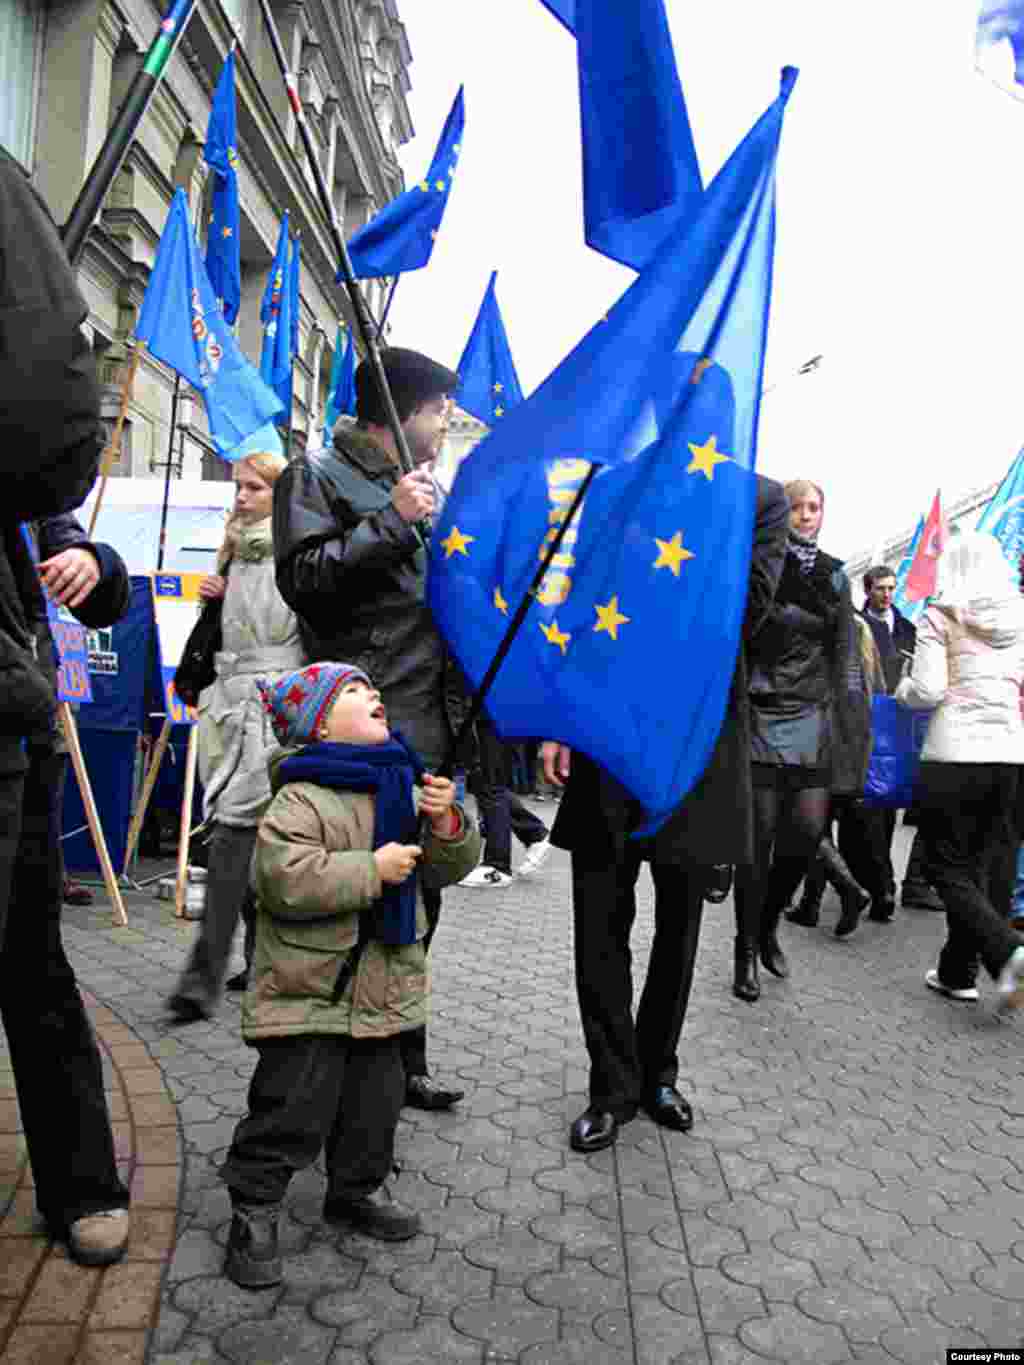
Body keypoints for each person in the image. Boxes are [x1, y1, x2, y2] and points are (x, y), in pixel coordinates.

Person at [542, 474, 789, 1153]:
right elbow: (581, 602)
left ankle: (658, 1074)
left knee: (680, 924)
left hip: (696, 743)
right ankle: (611, 1086)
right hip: (607, 729)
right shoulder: (618, 484)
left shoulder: (758, 500)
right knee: (600, 919)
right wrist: (559, 718)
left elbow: (747, 612)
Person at [219, 662, 480, 1288]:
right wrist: (371, 870)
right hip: (310, 990)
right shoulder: (300, 794)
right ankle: (254, 1203)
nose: (374, 695)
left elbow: (445, 868)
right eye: (354, 691)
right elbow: (282, 879)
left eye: (373, 689)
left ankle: (356, 1189)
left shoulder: (406, 784)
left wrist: (446, 823)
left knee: (375, 1105)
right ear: (318, 727)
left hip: (383, 988)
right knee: (291, 1105)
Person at [273, 346, 470, 1111]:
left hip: (425, 732)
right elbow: (305, 578)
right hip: (360, 734)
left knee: (417, 907)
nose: (445, 423)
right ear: (400, 411)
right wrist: (391, 522)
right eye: (438, 410)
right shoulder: (315, 475)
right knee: (350, 910)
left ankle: (400, 1062)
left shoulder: (425, 490)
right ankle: (324, 1079)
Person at [0, 145, 132, 1266]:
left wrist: (89, 556)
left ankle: (81, 1178)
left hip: (11, 713)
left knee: (32, 961)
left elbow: (63, 520)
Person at [167, 453, 304, 1021]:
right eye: (238, 487)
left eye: (254, 487)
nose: (241, 497)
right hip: (228, 703)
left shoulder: (295, 552)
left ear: (279, 494)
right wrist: (216, 600)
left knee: (236, 836)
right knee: (243, 839)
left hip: (273, 707)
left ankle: (206, 976)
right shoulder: (234, 550)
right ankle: (253, 964)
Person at [733, 478, 871, 1002]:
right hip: (761, 710)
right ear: (782, 513)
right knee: (757, 842)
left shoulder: (835, 574)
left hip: (813, 714)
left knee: (808, 832)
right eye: (797, 507)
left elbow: (846, 652)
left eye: (814, 507)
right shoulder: (758, 564)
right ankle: (745, 948)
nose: (806, 515)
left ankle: (768, 922)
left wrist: (851, 724)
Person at [895, 531, 1024, 1006]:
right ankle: (958, 972)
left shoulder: (939, 614)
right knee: (982, 867)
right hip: (1009, 753)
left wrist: (903, 690)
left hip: (954, 754)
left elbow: (928, 690)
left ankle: (1009, 950)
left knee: (944, 865)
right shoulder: (1020, 615)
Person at [786, 615, 884, 929]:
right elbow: (879, 687)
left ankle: (846, 890)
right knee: (820, 821)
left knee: (805, 820)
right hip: (853, 743)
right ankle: (811, 903)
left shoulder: (824, 631)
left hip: (821, 739)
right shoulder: (861, 631)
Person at [461, 711, 551, 888]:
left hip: (491, 716)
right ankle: (534, 833)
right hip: (491, 717)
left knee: (490, 785)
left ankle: (498, 865)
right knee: (485, 784)